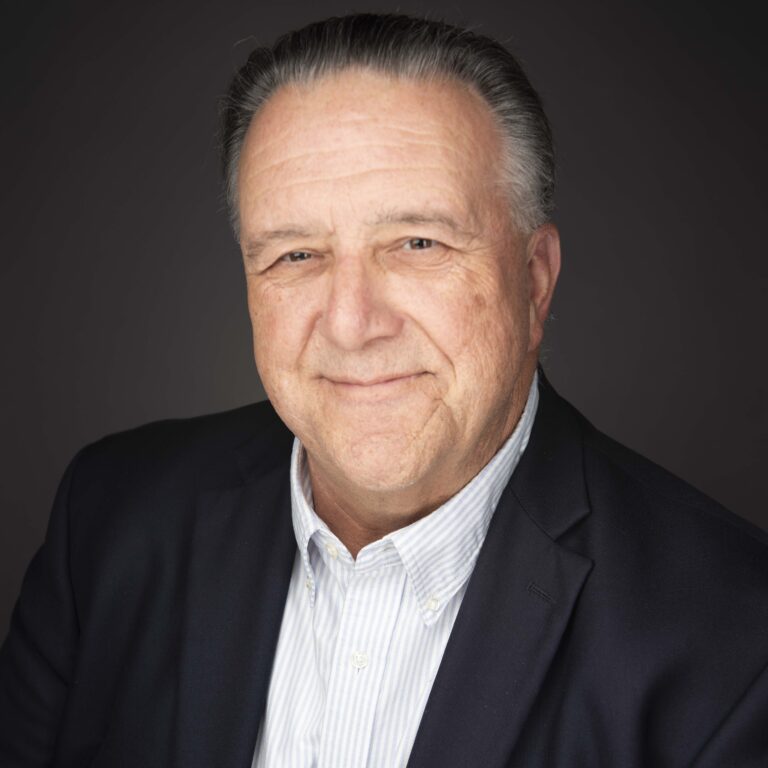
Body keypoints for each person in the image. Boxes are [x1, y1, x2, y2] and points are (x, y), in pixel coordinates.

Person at [1, 12, 766, 767]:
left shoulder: (737, 640)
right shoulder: (108, 521)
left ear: (533, 283)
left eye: (417, 243)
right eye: (296, 255)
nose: (351, 322)